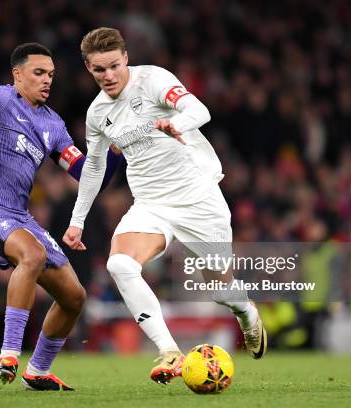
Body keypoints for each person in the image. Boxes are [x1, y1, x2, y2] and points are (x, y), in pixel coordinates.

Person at [63, 27, 267, 385]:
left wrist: (176, 123)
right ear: (87, 68)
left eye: (114, 66)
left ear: (125, 57)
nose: (108, 76)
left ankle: (246, 311)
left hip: (198, 198)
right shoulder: (97, 114)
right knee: (121, 264)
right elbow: (94, 167)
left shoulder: (153, 79)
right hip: (151, 204)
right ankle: (169, 351)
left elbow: (198, 109)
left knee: (220, 290)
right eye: (99, 70)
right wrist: (77, 219)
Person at [0, 43, 122, 391]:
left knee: (75, 297)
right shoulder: (0, 99)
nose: (47, 80)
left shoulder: (52, 124)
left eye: (51, 74)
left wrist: (113, 152)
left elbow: (86, 174)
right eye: (39, 73)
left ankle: (37, 370)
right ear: (17, 75)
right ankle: (8, 355)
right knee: (32, 255)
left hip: (19, 217)